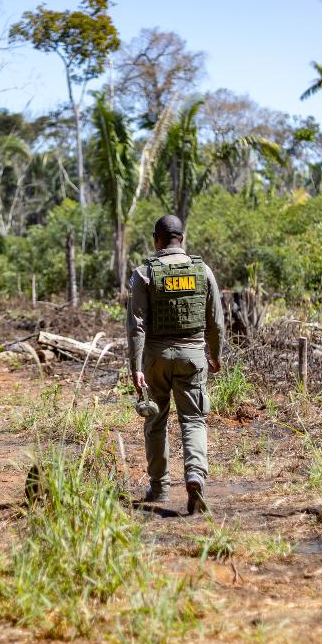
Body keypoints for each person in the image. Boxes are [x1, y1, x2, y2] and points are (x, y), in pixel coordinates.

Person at [126, 214, 223, 514]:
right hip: (192, 356)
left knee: (156, 421)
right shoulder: (202, 270)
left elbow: (136, 325)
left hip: (155, 358)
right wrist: (215, 355)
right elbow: (216, 321)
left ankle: (159, 487)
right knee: (193, 420)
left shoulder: (144, 273)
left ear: (157, 239)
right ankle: (195, 476)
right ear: (181, 238)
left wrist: (136, 366)